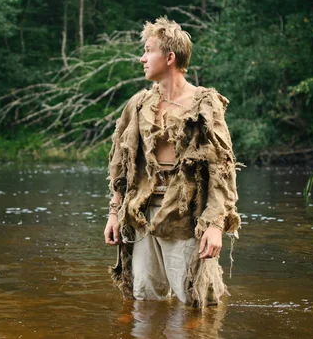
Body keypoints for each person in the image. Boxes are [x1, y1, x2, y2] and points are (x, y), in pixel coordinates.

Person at [103, 17, 241, 308]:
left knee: (195, 304)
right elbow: (121, 167)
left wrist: (216, 225)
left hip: (185, 215)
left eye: (148, 50)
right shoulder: (138, 104)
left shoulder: (204, 103)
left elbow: (222, 170)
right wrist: (114, 213)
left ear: (169, 57)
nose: (142, 57)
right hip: (141, 214)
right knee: (144, 304)